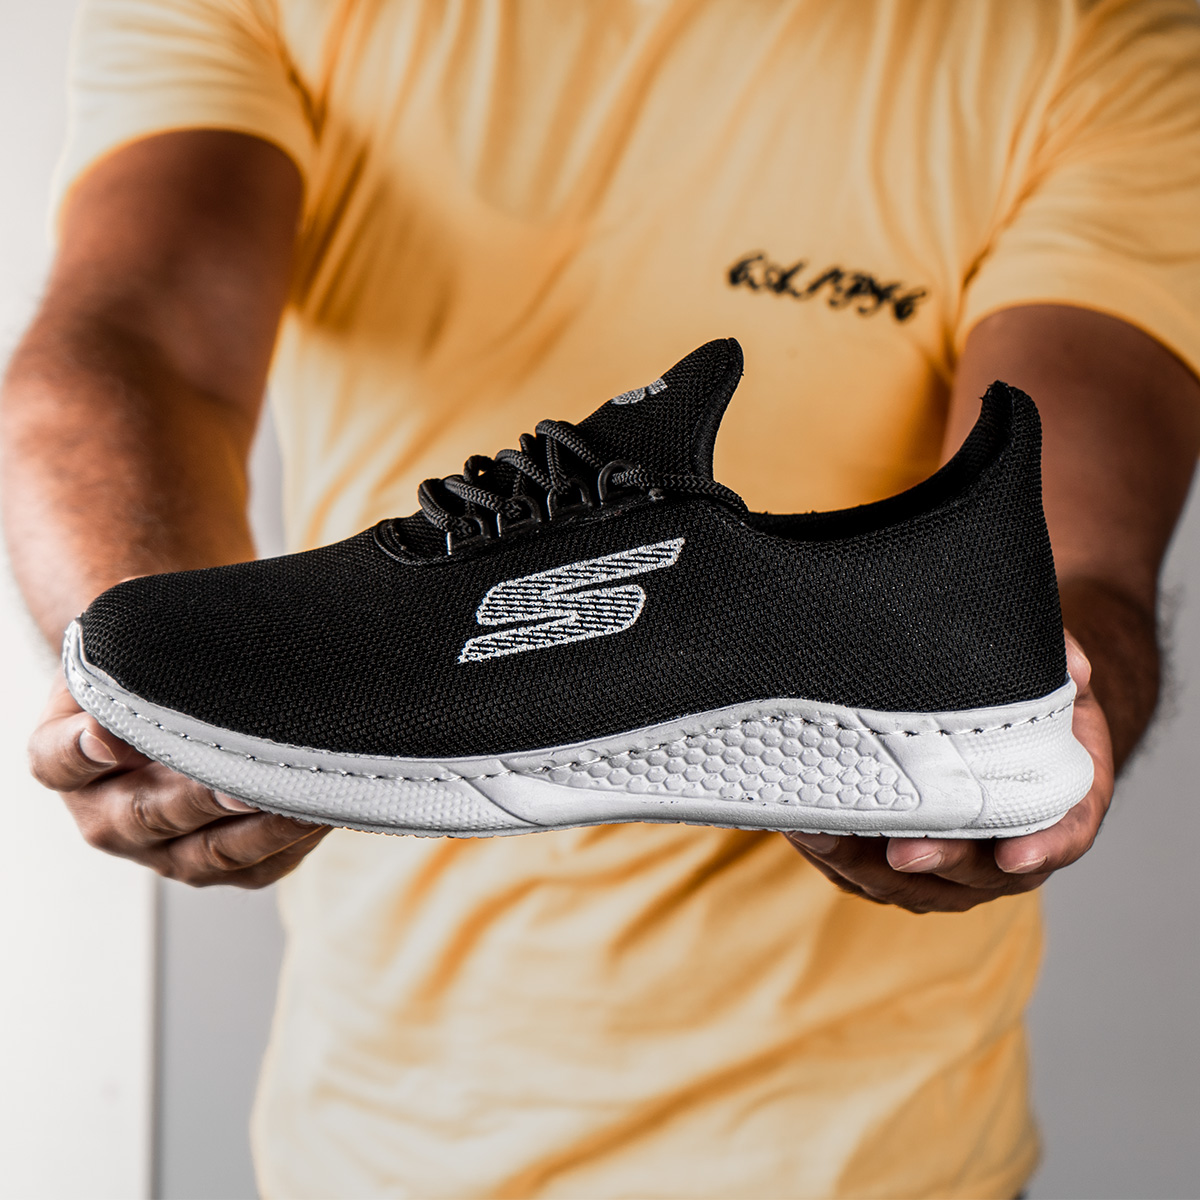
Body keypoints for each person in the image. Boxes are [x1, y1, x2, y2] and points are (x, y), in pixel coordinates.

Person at [4, 1, 1199, 1196]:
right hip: (375, 1141)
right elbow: (137, 335)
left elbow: (1077, 559)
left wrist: (1065, 686)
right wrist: (157, 666)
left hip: (878, 1163)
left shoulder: (1099, 40)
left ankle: (914, 685)